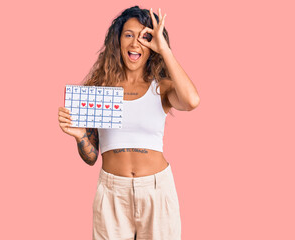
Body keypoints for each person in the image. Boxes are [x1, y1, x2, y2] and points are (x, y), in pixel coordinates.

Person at [58, 5, 200, 240]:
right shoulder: (98, 90)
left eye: (144, 37)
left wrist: (164, 50)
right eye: (128, 35)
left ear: (152, 44)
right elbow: (91, 157)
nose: (135, 44)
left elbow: (192, 100)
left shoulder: (161, 87)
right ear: (118, 41)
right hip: (112, 192)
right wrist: (80, 135)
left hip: (157, 190)